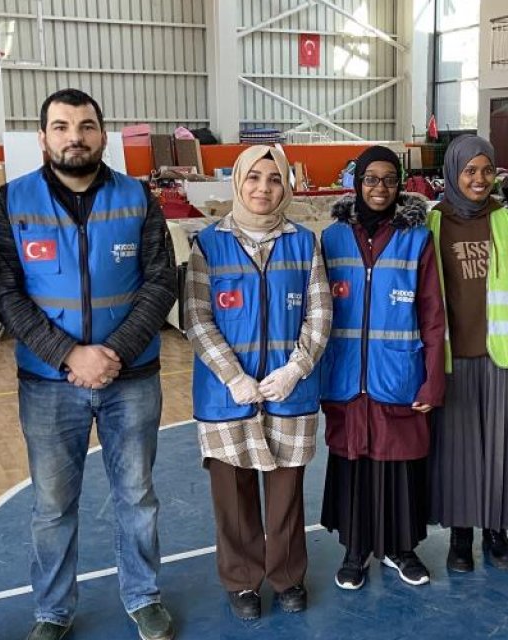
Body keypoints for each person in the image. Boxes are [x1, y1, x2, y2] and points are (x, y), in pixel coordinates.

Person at [0, 88, 177, 640]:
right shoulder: (13, 201)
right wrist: (69, 354)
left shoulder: (138, 198)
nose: (76, 137)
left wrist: (112, 353)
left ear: (103, 134)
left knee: (137, 497)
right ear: (43, 136)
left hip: (131, 378)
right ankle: (52, 610)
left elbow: (162, 279)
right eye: (63, 126)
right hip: (49, 383)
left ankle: (143, 597)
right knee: (51, 506)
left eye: (87, 126)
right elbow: (6, 291)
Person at [185, 144, 330, 621]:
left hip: (290, 396)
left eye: (274, 179)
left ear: (286, 185)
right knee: (234, 496)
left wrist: (296, 368)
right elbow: (197, 318)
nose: (263, 188)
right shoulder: (208, 243)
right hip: (227, 397)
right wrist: (234, 377)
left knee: (287, 497)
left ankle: (287, 575)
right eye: (254, 178)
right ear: (238, 183)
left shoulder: (304, 242)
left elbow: (320, 312)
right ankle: (242, 581)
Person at [319, 146, 446, 590]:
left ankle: (401, 549)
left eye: (389, 179)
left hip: (398, 375)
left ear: (401, 184)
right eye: (371, 179)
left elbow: (432, 313)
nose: (380, 188)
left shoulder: (417, 238)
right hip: (346, 376)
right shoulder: (332, 238)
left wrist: (433, 378)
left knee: (399, 465)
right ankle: (355, 551)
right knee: (353, 463)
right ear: (357, 183)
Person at [427, 135, 508, 573]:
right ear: (453, 173)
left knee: (501, 447)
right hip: (451, 356)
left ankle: (497, 531)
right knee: (456, 450)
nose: (478, 179)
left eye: (486, 171)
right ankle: (460, 536)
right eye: (469, 170)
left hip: (500, 354)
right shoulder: (432, 224)